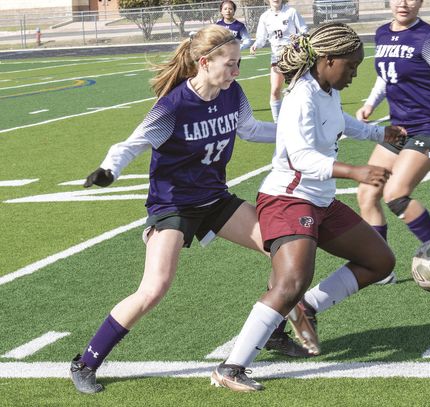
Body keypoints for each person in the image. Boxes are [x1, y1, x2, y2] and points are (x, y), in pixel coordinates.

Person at [69, 25, 313, 395]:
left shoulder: (234, 94)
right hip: (174, 205)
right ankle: (85, 361)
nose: (237, 71)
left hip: (215, 199)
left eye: (238, 63)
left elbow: (249, 129)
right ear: (204, 62)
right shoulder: (173, 106)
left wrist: (298, 134)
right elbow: (132, 144)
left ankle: (274, 332)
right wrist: (109, 171)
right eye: (230, 64)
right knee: (153, 289)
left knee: (284, 251)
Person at [211, 23, 406, 392]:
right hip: (287, 199)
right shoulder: (300, 96)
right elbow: (301, 158)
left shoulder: (326, 89)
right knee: (290, 283)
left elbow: (340, 123)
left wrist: (379, 133)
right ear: (328, 60)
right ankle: (230, 367)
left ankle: (308, 309)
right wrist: (354, 171)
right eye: (350, 66)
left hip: (320, 200)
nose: (354, 73)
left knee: (380, 261)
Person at [354, 0, 430, 285]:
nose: (404, 3)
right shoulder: (382, 33)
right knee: (367, 193)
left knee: (394, 193)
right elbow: (385, 77)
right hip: (399, 128)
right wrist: (370, 104)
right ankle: (379, 268)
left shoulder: (429, 37)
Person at [249, 0, 307, 122]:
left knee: (297, 88)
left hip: (293, 55)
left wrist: (298, 37)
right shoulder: (265, 16)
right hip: (276, 57)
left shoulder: (291, 12)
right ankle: (278, 122)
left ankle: (302, 118)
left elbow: (304, 30)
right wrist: (255, 45)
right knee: (275, 89)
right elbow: (261, 37)